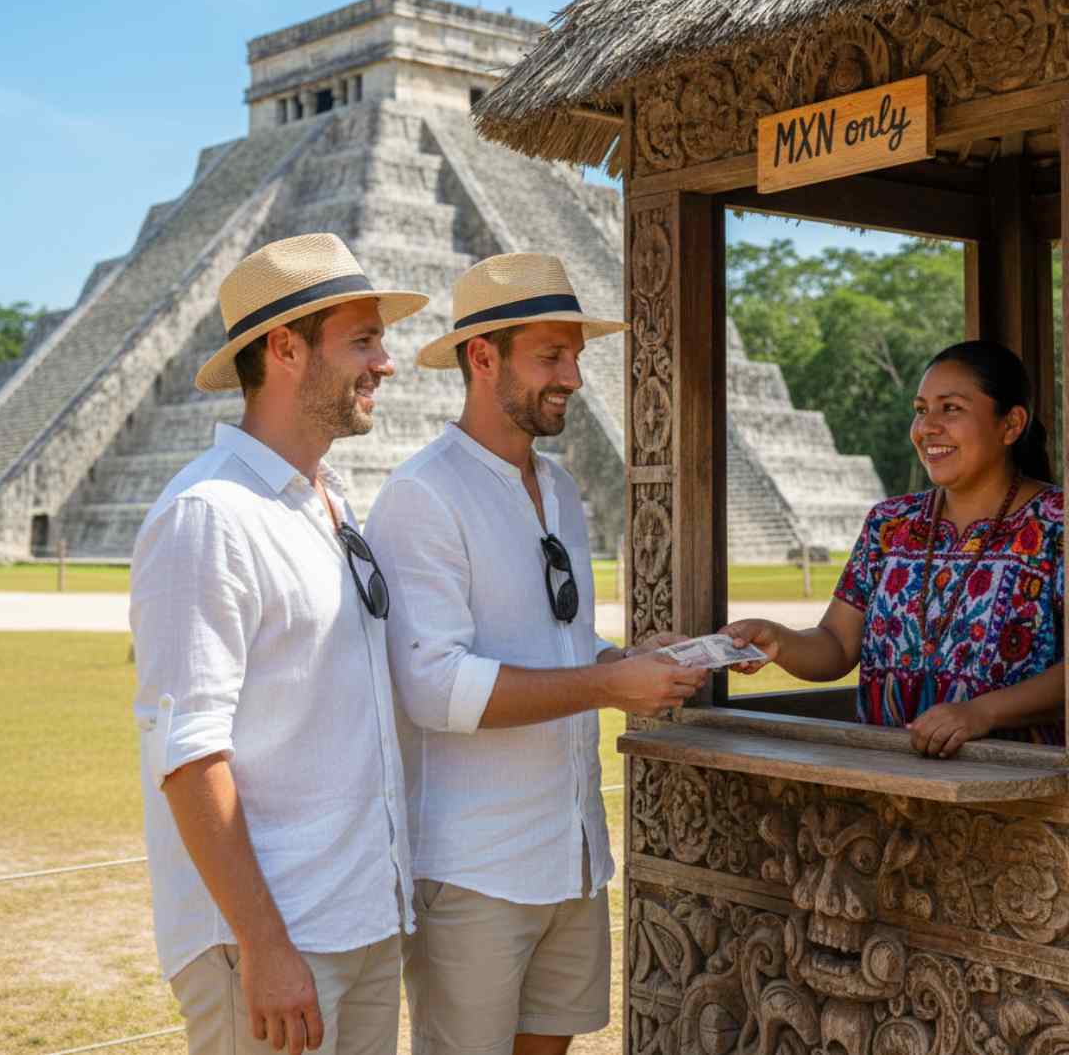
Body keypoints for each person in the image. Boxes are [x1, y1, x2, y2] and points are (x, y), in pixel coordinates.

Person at [364, 252, 708, 1055]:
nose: (575, 379)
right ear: (482, 358)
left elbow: (558, 644)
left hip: (571, 851)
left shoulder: (557, 488)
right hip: (476, 865)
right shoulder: (423, 494)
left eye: (576, 357)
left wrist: (631, 656)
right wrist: (606, 683)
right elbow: (434, 688)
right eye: (551, 357)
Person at [131, 233, 429, 1055]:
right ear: (286, 347)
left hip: (359, 916)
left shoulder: (329, 502)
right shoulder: (210, 515)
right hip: (272, 936)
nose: (387, 363)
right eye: (363, 340)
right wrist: (264, 946)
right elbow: (188, 754)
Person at [726, 339, 1064, 759]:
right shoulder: (890, 523)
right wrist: (776, 640)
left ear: (1011, 424)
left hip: (1017, 790)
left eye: (951, 408)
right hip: (890, 783)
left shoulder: (1056, 523)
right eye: (921, 410)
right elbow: (836, 644)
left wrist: (982, 713)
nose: (927, 427)